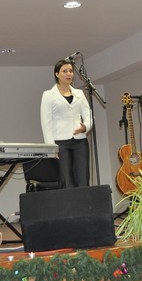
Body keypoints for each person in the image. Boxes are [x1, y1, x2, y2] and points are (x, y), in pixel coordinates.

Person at [40, 59, 92, 188]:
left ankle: (84, 201)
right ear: (57, 74)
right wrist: (51, 147)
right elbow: (46, 122)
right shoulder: (48, 95)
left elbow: (89, 115)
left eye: (70, 71)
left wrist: (85, 126)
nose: (69, 74)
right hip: (60, 143)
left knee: (83, 178)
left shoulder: (79, 93)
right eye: (64, 71)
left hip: (80, 141)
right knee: (66, 180)